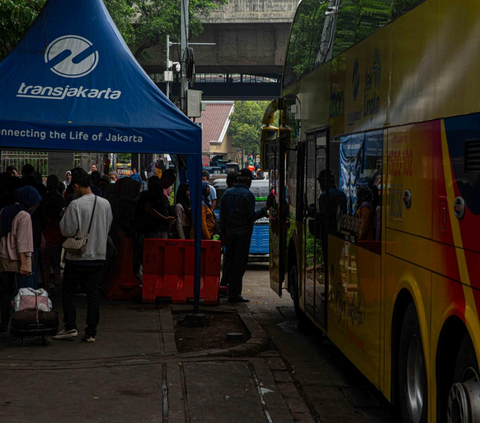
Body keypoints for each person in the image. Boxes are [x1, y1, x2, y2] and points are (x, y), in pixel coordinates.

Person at [54, 168, 113, 343]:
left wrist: (65, 216)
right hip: (99, 255)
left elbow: (67, 230)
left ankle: (70, 326)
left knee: (69, 291)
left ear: (77, 186)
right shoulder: (105, 204)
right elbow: (107, 227)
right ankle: (91, 332)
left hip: (78, 257)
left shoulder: (75, 205)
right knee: (93, 294)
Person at [220, 168, 273, 302]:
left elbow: (223, 217)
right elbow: (251, 217)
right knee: (239, 264)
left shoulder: (227, 193)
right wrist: (265, 209)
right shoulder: (248, 195)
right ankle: (234, 294)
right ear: (248, 180)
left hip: (229, 234)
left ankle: (225, 288)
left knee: (230, 262)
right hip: (242, 235)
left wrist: (223, 235)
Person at [0, 186, 42, 331]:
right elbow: (22, 241)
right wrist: (24, 264)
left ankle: (4, 323)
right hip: (19, 260)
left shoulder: (4, 211)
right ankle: (21, 323)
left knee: (6, 293)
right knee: (22, 292)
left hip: (4, 259)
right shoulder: (24, 215)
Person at [308, 170, 347, 263]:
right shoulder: (342, 195)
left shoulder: (324, 196)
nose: (320, 186)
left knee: (329, 262)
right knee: (336, 261)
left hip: (328, 234)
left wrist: (310, 210)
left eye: (320, 183)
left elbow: (324, 217)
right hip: (340, 234)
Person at [40, 175, 64, 292]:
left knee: (45, 265)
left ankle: (46, 287)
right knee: (56, 262)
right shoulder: (60, 198)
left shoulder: (44, 198)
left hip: (46, 233)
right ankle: (58, 281)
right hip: (57, 233)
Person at [143, 169, 176, 239]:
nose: (170, 184)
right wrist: (165, 218)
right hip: (155, 229)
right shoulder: (155, 189)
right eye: (170, 181)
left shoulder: (160, 191)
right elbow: (148, 208)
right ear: (165, 178)